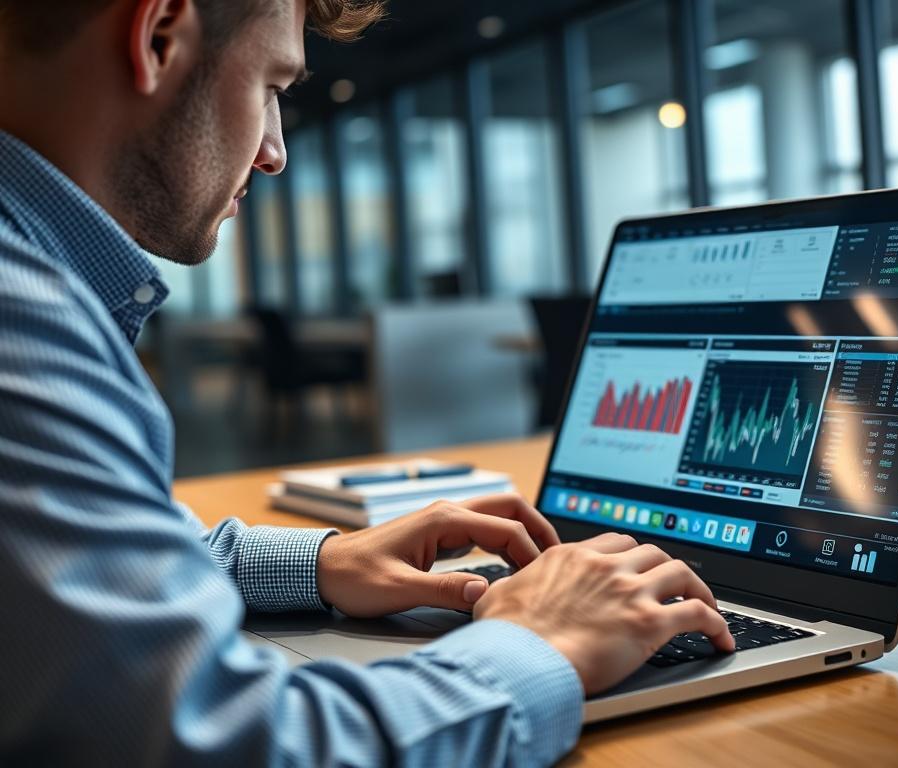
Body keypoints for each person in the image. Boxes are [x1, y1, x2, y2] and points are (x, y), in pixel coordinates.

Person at [0, 1, 734, 764]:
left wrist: (321, 563)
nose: (275, 151)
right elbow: (244, 747)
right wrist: (538, 641)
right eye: (270, 84)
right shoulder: (19, 325)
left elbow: (87, 554)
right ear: (157, 36)